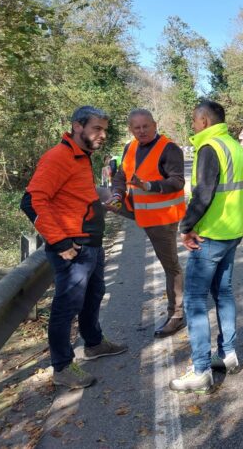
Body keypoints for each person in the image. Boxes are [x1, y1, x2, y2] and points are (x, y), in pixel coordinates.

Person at [20, 106, 128, 389]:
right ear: (77, 126)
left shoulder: (82, 157)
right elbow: (32, 202)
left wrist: (99, 201)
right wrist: (60, 242)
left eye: (104, 129)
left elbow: (74, 195)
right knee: (66, 307)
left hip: (91, 243)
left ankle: (93, 343)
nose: (102, 135)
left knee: (94, 295)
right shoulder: (59, 157)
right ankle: (62, 366)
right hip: (73, 249)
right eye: (97, 128)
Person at [169, 99, 243, 394]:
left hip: (211, 235)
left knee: (194, 300)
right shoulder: (235, 147)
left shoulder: (210, 147)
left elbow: (203, 194)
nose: (193, 126)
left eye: (193, 121)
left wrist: (186, 227)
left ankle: (201, 370)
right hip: (232, 233)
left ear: (203, 120)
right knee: (224, 293)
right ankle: (227, 354)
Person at [105, 109, 187, 338]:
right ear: (130, 129)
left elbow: (177, 182)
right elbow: (121, 176)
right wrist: (117, 196)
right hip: (140, 213)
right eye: (136, 127)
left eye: (145, 126)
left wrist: (149, 186)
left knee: (170, 266)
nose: (141, 131)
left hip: (164, 218)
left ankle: (176, 315)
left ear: (155, 124)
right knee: (96, 194)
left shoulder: (169, 148)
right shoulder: (130, 147)